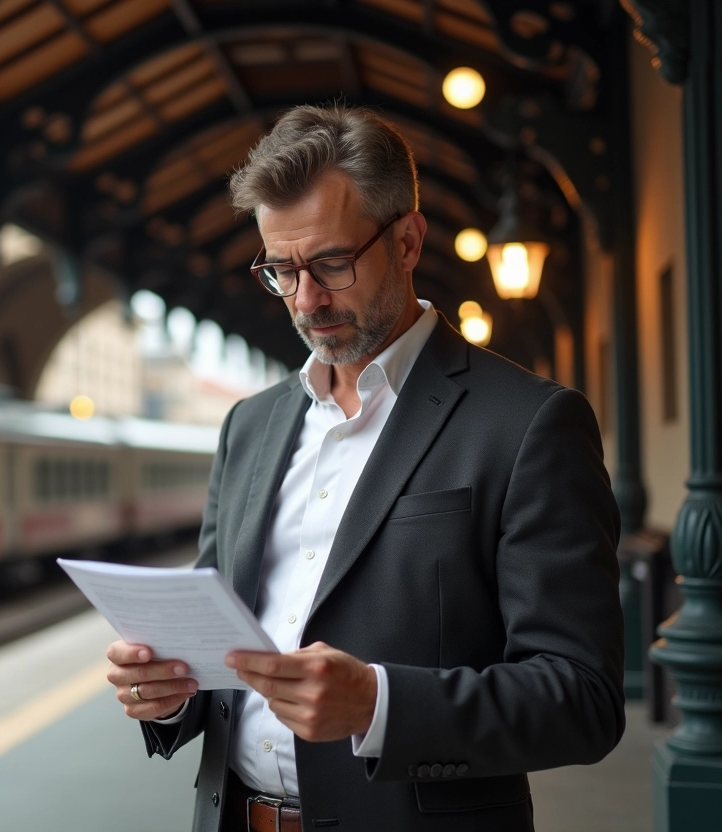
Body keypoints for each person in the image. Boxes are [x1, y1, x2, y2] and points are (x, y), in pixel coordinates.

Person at [105, 105, 623, 832]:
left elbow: (583, 697)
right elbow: (217, 647)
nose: (306, 300)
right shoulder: (248, 426)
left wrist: (379, 705)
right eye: (281, 271)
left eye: (331, 264)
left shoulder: (529, 424)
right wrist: (167, 691)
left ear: (407, 241)